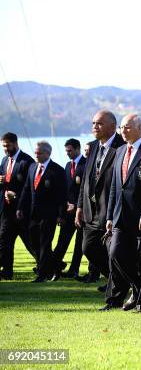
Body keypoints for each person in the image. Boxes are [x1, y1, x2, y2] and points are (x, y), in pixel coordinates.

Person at [106, 114, 141, 313]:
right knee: (116, 254)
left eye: (128, 127)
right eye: (122, 127)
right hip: (120, 216)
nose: (124, 131)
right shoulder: (120, 151)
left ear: (139, 128)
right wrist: (109, 216)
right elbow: (115, 186)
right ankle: (138, 288)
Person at [75, 110, 126, 304]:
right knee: (88, 248)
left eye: (99, 123)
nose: (94, 127)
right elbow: (87, 179)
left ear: (113, 127)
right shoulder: (94, 147)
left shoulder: (121, 147)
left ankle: (114, 296)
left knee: (113, 254)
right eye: (93, 123)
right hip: (91, 211)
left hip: (111, 211)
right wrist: (80, 206)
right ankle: (120, 279)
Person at [17, 141, 67, 282]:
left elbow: (62, 195)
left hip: (49, 215)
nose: (36, 155)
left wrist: (61, 215)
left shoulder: (57, 170)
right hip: (33, 214)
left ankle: (42, 273)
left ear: (47, 153)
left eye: (39, 153)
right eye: (35, 152)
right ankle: (56, 266)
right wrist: (20, 207)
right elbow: (27, 188)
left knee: (45, 243)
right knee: (34, 243)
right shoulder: (32, 167)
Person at [0, 132, 35, 280]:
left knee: (30, 243)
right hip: (6, 211)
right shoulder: (4, 160)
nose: (5, 149)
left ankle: (51, 266)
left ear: (15, 143)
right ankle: (7, 272)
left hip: (22, 210)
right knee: (4, 241)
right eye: (3, 146)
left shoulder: (27, 161)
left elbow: (32, 187)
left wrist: (17, 195)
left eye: (7, 146)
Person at [52, 138, 86, 279]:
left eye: (70, 150)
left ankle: (74, 270)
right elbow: (64, 190)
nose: (68, 153)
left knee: (79, 244)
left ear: (78, 149)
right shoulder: (67, 165)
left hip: (81, 212)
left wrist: (77, 206)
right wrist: (64, 208)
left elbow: (86, 191)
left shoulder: (86, 165)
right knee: (62, 242)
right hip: (67, 212)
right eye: (66, 151)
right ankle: (53, 268)